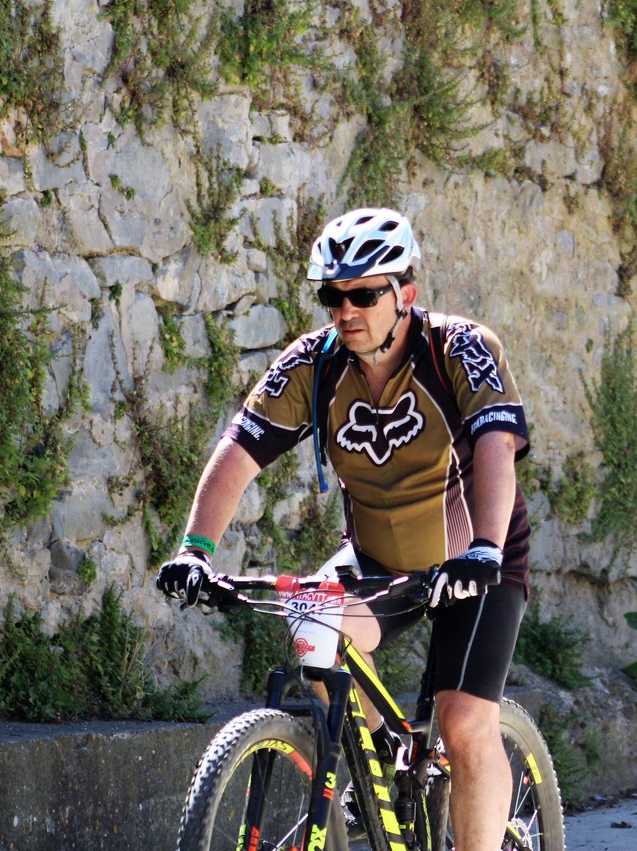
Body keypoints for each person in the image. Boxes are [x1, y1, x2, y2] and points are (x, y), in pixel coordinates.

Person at [156, 207, 531, 851]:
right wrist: (195, 550)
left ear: (405, 293)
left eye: (363, 295)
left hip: (475, 557)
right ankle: (378, 760)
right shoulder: (314, 365)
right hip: (378, 559)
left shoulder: (460, 348)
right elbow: (238, 453)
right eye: (333, 295)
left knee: (464, 722)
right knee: (313, 627)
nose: (346, 310)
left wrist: (485, 550)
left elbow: (497, 446)